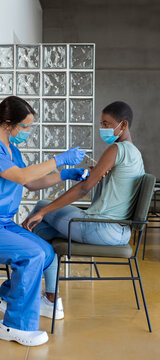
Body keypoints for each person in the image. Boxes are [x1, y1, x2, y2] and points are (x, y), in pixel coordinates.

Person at [0, 96, 87, 346]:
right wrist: (59, 160)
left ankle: (5, 297)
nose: (27, 131)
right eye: (25, 126)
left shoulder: (12, 150)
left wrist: (65, 174)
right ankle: (14, 326)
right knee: (31, 255)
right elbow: (20, 174)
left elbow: (31, 182)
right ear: (8, 123)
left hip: (0, 221)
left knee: (46, 252)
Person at [23, 101, 145, 299]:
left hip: (101, 228)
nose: (102, 129)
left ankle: (23, 290)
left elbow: (84, 189)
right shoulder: (135, 154)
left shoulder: (116, 149)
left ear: (123, 125)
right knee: (41, 232)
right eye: (101, 124)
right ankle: (50, 298)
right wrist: (95, 174)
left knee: (41, 207)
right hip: (121, 232)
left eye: (107, 124)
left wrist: (43, 213)